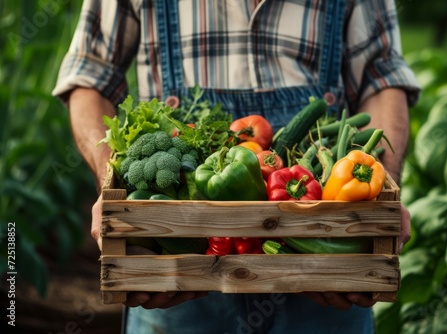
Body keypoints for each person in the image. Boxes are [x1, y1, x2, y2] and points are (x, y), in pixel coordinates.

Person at [53, 0, 419, 333]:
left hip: (326, 267)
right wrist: (110, 191)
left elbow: (381, 79)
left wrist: (382, 193)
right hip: (174, 274)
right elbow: (89, 77)